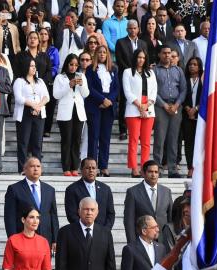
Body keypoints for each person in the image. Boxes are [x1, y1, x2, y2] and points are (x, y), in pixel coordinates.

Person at [2, 159, 58, 270]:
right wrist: (13, 239)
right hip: (22, 239)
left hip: (44, 239)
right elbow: (10, 216)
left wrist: (55, 238)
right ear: (24, 169)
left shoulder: (49, 189)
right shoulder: (14, 189)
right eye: (32, 166)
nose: (36, 169)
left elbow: (53, 214)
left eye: (38, 166)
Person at [121, 48, 156, 178]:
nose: (141, 60)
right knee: (134, 140)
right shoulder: (127, 72)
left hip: (149, 107)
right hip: (133, 108)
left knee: (146, 142)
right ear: (135, 58)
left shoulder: (151, 73)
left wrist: (147, 105)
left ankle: (144, 168)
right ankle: (134, 168)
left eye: (143, 57)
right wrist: (139, 105)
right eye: (139, 57)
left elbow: (154, 91)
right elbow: (127, 91)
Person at [153, 46, 187, 177]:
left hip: (176, 107)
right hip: (161, 107)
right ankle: (157, 169)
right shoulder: (154, 71)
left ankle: (172, 169)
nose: (167, 56)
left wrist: (177, 104)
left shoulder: (178, 70)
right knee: (159, 139)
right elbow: (152, 90)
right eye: (165, 53)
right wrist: (164, 105)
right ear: (160, 55)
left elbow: (183, 89)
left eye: (169, 53)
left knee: (173, 139)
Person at [85, 44, 117, 177]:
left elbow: (116, 88)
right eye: (100, 52)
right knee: (94, 137)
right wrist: (102, 100)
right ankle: (93, 166)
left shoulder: (113, 69)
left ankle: (104, 166)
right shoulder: (90, 70)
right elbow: (90, 88)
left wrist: (109, 100)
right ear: (96, 54)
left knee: (105, 138)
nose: (102, 54)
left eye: (104, 52)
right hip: (95, 105)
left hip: (108, 107)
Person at [54, 53, 89, 176]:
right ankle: (66, 168)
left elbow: (86, 94)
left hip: (78, 112)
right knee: (66, 140)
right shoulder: (60, 77)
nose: (73, 67)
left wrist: (81, 85)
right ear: (67, 64)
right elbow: (56, 95)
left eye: (75, 65)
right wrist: (69, 85)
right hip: (65, 113)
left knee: (77, 140)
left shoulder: (81, 76)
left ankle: (75, 167)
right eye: (71, 64)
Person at [124, 159, 172, 243]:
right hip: (142, 240)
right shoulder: (132, 192)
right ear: (143, 173)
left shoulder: (166, 191)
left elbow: (170, 218)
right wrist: (132, 243)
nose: (153, 175)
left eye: (156, 172)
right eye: (150, 172)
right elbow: (129, 221)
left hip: (163, 241)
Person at [114, 19, 147, 140]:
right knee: (123, 101)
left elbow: (145, 59)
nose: (133, 30)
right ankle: (123, 130)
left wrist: (139, 71)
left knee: (139, 100)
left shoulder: (143, 43)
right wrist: (131, 72)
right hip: (126, 76)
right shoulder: (120, 42)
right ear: (127, 29)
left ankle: (138, 130)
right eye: (130, 28)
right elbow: (119, 60)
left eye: (135, 28)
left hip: (141, 77)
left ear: (138, 29)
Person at [12, 60, 49, 167]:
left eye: (34, 66)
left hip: (39, 113)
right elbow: (19, 98)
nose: (33, 68)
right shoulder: (19, 81)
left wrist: (38, 106)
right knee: (23, 142)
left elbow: (46, 97)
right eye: (31, 66)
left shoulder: (40, 81)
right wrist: (33, 105)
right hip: (24, 113)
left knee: (37, 143)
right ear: (25, 67)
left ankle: (36, 169)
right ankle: (23, 169)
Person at [64, 157, 115, 229]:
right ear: (81, 170)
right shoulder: (72, 189)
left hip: (102, 233)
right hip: (81, 233)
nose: (91, 170)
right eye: (88, 168)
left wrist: (104, 231)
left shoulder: (106, 189)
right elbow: (71, 215)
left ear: (97, 170)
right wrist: (86, 229)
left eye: (93, 168)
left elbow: (111, 213)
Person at [181, 56, 202, 178]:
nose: (192, 66)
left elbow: (206, 97)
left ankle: (198, 167)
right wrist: (187, 108)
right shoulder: (184, 79)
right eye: (190, 64)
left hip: (200, 115)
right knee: (188, 143)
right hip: (186, 114)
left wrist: (196, 108)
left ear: (199, 67)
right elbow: (180, 94)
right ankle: (190, 168)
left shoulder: (204, 80)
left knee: (199, 143)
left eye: (194, 64)